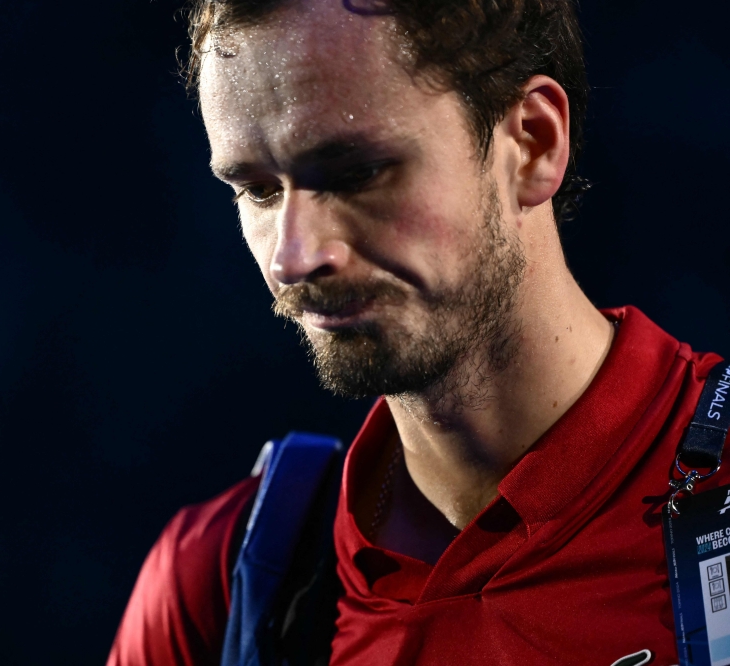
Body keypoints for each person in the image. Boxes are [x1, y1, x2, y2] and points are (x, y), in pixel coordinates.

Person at [108, 1, 720, 663]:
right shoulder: (216, 581)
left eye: (356, 173)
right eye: (257, 190)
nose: (292, 256)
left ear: (533, 143)